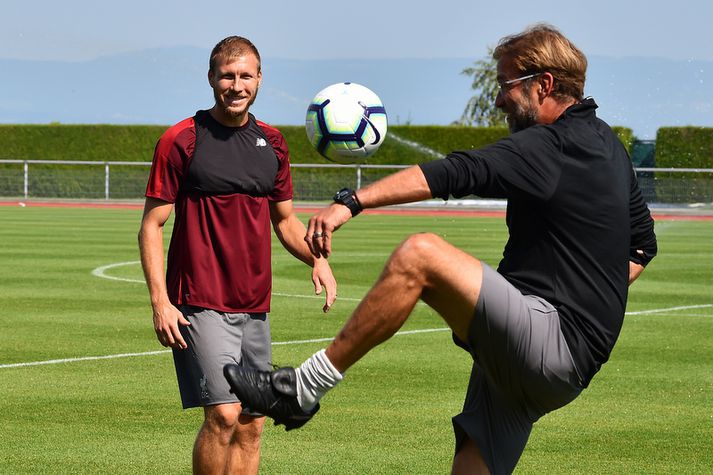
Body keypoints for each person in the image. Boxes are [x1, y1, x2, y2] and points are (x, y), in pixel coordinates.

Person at [223, 24, 657, 474]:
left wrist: (350, 202)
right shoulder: (609, 145)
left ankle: (303, 389)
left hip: (549, 344)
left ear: (543, 84)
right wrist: (589, 302)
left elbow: (459, 171)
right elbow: (642, 247)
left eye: (505, 85)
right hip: (558, 362)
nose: (498, 100)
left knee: (420, 255)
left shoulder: (553, 144)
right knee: (472, 464)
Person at [138, 36, 337, 475]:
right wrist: (160, 302)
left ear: (260, 79)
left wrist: (316, 259)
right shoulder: (181, 140)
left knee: (252, 422)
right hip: (199, 301)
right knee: (223, 414)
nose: (236, 84)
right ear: (211, 78)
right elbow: (152, 225)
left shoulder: (273, 143)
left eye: (246, 75)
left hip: (255, 305)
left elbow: (285, 222)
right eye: (227, 75)